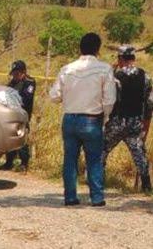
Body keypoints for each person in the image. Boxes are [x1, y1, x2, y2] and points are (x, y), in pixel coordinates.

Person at [49, 33, 116, 207]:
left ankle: (70, 197)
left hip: (70, 119)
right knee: (94, 159)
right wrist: (105, 116)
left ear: (80, 48)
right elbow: (109, 99)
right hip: (92, 119)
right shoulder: (104, 69)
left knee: (70, 159)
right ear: (98, 49)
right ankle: (97, 197)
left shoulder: (67, 69)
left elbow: (54, 96)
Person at [102, 45, 152, 193]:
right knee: (140, 155)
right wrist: (145, 124)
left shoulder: (115, 77)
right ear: (134, 58)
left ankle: (98, 181)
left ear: (120, 58)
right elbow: (149, 103)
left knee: (101, 150)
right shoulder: (146, 76)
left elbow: (108, 98)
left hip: (117, 122)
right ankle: (147, 186)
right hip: (135, 123)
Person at [0, 60, 36, 171]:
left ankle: (24, 163)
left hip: (23, 114)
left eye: (17, 73)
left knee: (22, 139)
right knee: (10, 137)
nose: (15, 76)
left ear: (23, 72)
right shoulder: (12, 83)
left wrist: (14, 99)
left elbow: (27, 98)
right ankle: (9, 161)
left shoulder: (29, 82)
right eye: (14, 73)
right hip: (11, 115)